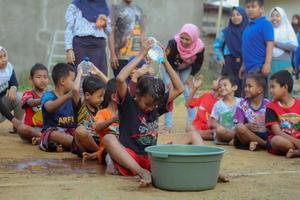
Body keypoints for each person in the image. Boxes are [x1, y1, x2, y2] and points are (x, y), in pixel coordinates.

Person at [103, 40, 205, 186]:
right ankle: (141, 172)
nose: (151, 108)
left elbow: (179, 88)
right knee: (109, 139)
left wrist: (164, 60)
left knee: (193, 135)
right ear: (137, 94)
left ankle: (206, 167)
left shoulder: (156, 103)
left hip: (152, 157)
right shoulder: (128, 103)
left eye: (154, 105)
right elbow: (119, 79)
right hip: (131, 158)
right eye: (147, 104)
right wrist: (141, 54)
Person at [163, 23, 205, 133]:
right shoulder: (173, 43)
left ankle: (193, 123)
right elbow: (165, 61)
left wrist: (191, 76)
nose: (184, 41)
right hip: (168, 67)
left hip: (186, 68)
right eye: (182, 38)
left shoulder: (199, 47)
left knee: (187, 91)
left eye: (188, 39)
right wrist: (170, 81)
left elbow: (198, 63)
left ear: (194, 39)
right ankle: (168, 125)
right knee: (170, 93)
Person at [39, 63, 81, 152]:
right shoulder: (48, 95)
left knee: (80, 133)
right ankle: (80, 147)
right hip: (53, 132)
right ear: (62, 81)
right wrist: (68, 96)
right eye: (73, 80)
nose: (75, 84)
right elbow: (49, 107)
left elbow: (76, 91)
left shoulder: (74, 96)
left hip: (70, 131)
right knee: (55, 135)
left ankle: (68, 146)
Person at [65, 0, 110, 74]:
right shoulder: (76, 5)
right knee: (81, 76)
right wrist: (69, 49)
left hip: (98, 47)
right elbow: (69, 27)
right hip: (81, 46)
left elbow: (109, 31)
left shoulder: (103, 5)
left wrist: (105, 23)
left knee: (99, 78)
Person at [239, 0, 274, 95]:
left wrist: (267, 63)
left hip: (259, 68)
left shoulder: (266, 24)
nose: (250, 9)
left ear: (261, 9)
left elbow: (270, 44)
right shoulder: (247, 27)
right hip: (247, 69)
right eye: (248, 7)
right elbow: (246, 48)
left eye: (253, 6)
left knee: (259, 98)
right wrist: (243, 65)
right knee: (247, 98)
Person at [213, 6, 248, 97]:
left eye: (238, 14)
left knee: (243, 86)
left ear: (243, 15)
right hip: (229, 62)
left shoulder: (248, 31)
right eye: (232, 15)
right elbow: (216, 46)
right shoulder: (225, 32)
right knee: (228, 86)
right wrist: (220, 58)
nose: (235, 17)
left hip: (244, 62)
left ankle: (241, 108)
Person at [82, 79, 119, 163]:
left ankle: (96, 155)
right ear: (114, 97)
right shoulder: (102, 113)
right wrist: (112, 120)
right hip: (106, 151)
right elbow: (97, 128)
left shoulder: (125, 112)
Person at [266, 70, 300, 158]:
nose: (270, 91)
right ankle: (296, 151)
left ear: (285, 87)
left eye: (273, 87)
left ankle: (295, 152)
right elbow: (277, 132)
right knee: (276, 140)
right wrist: (297, 142)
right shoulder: (271, 107)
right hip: (283, 141)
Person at [74, 70, 107, 157]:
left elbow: (112, 86)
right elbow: (75, 90)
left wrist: (98, 72)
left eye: (103, 96)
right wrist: (79, 72)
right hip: (85, 142)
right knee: (80, 131)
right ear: (87, 95)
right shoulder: (81, 105)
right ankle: (100, 154)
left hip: (99, 140)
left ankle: (98, 154)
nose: (102, 99)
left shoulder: (100, 106)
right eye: (99, 96)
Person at [109, 0, 145, 77]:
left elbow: (141, 33)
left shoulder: (138, 9)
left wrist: (144, 53)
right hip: (121, 56)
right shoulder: (115, 8)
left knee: (136, 85)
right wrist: (112, 54)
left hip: (137, 57)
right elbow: (111, 32)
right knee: (122, 84)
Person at [234, 73, 269, 151]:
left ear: (260, 89)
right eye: (246, 86)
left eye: (250, 86)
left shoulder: (268, 104)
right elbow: (237, 125)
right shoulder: (242, 104)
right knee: (240, 128)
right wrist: (247, 126)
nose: (246, 89)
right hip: (248, 135)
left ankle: (256, 144)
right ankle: (264, 144)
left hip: (264, 134)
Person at [17, 64, 49, 144]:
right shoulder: (28, 94)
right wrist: (44, 99)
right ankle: (45, 138)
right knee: (21, 128)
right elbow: (30, 102)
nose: (42, 80)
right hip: (32, 130)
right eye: (38, 77)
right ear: (31, 79)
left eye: (45, 77)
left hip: (47, 128)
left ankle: (42, 139)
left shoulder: (50, 94)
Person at [210, 76, 242, 145]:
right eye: (220, 86)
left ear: (234, 87)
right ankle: (238, 140)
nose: (222, 88)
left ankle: (236, 140)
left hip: (237, 131)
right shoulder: (218, 104)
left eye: (225, 85)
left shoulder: (241, 102)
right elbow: (212, 123)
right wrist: (218, 126)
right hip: (223, 134)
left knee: (244, 128)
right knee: (219, 130)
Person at [269, 7, 298, 76]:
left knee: (284, 84)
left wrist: (276, 43)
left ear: (283, 17)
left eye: (277, 16)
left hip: (284, 63)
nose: (274, 18)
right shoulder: (268, 29)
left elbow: (294, 47)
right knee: (271, 85)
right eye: (272, 16)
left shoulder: (288, 29)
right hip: (270, 63)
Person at [0, 46, 23, 132]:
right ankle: (16, 123)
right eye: (0, 57)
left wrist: (13, 88)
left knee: (20, 97)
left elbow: (14, 82)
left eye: (4, 55)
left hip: (2, 102)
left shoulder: (8, 68)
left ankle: (17, 128)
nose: (4, 59)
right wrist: (13, 120)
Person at [291, 14, 300, 80]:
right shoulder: (291, 28)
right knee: (292, 60)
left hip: (298, 46)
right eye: (293, 19)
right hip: (293, 46)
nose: (294, 20)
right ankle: (295, 71)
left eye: (295, 19)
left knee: (297, 60)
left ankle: (297, 74)